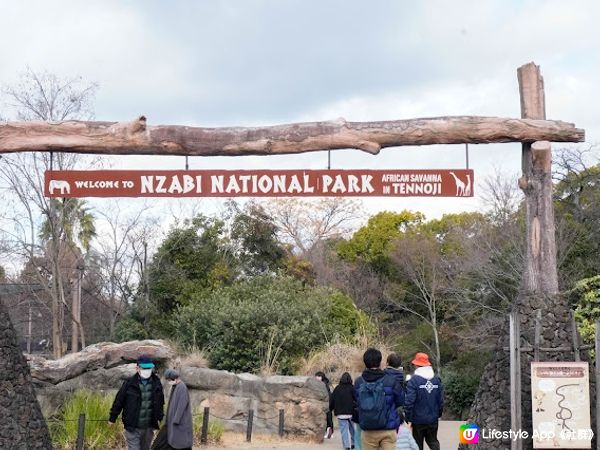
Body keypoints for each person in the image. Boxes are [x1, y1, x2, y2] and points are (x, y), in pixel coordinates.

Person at [109, 354, 165, 450]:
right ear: (137, 368)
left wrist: (160, 418)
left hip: (149, 426)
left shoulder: (157, 383)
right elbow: (119, 401)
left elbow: (160, 402)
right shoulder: (129, 384)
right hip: (132, 426)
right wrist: (112, 418)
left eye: (149, 368)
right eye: (144, 368)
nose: (147, 371)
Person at [354, 348, 404, 450]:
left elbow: (356, 401)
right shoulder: (390, 381)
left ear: (365, 362)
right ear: (380, 362)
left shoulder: (359, 382)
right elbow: (401, 400)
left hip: (368, 429)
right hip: (388, 428)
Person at [404, 353, 443, 450]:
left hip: (418, 419)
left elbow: (409, 401)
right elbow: (440, 400)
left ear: (417, 365)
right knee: (433, 441)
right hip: (433, 418)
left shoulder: (414, 381)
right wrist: (438, 414)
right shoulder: (436, 380)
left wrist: (408, 416)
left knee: (417, 445)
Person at [330, 372, 356, 450]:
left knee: (344, 430)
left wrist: (330, 409)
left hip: (340, 413)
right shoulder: (352, 388)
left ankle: (346, 446)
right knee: (352, 429)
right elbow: (356, 399)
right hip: (351, 412)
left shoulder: (337, 388)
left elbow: (332, 400)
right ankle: (353, 443)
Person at [316, 371, 334, 439]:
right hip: (328, 402)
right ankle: (329, 432)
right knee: (328, 418)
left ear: (321, 377)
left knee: (328, 418)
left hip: (327, 402)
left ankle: (329, 432)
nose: (317, 378)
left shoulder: (324, 384)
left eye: (318, 376)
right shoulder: (327, 383)